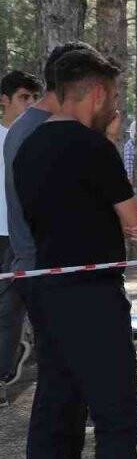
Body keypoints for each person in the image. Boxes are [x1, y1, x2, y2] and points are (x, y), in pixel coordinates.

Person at [13, 47, 137, 459]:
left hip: (48, 292)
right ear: (97, 93)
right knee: (118, 415)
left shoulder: (27, 147)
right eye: (115, 96)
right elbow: (134, 221)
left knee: (55, 406)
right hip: (93, 294)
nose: (115, 105)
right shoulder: (93, 148)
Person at [3, 44, 114, 459]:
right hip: (48, 276)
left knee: (67, 392)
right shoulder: (35, 131)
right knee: (57, 396)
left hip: (51, 274)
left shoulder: (43, 129)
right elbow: (34, 215)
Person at [0, 70, 40, 395]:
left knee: (10, 308)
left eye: (33, 98)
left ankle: (3, 374)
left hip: (19, 237)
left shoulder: (35, 137)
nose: (29, 104)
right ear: (4, 100)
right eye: (23, 97)